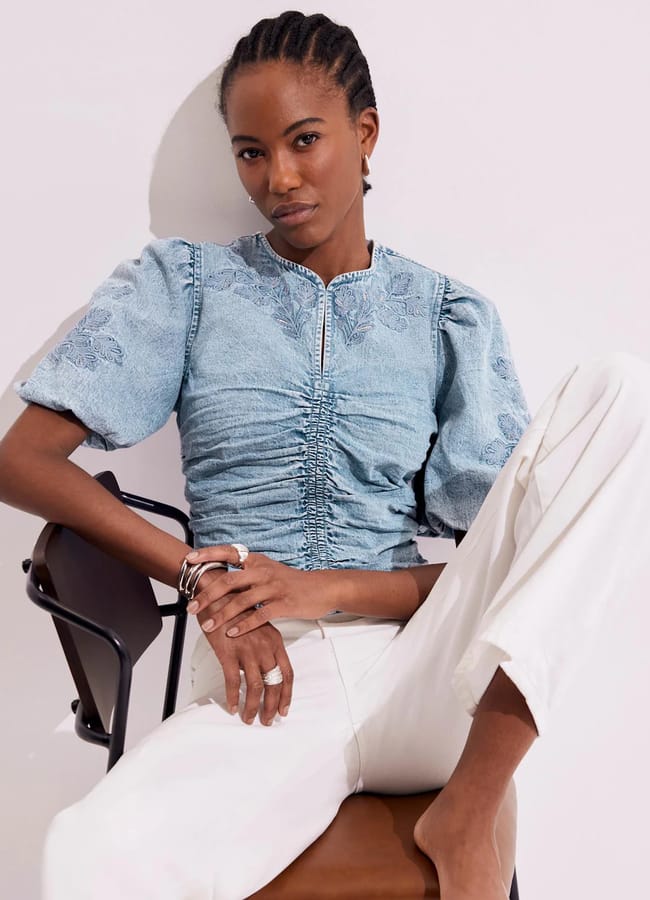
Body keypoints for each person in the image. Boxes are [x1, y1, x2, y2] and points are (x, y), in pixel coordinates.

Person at [1, 10, 649, 900]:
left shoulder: (444, 313)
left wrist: (337, 587)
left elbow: (512, 565)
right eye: (251, 152)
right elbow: (22, 460)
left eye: (305, 140)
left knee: (624, 391)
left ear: (365, 133)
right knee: (86, 856)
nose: (280, 177)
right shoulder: (187, 288)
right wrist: (197, 578)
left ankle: (474, 799)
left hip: (422, 667)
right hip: (263, 683)